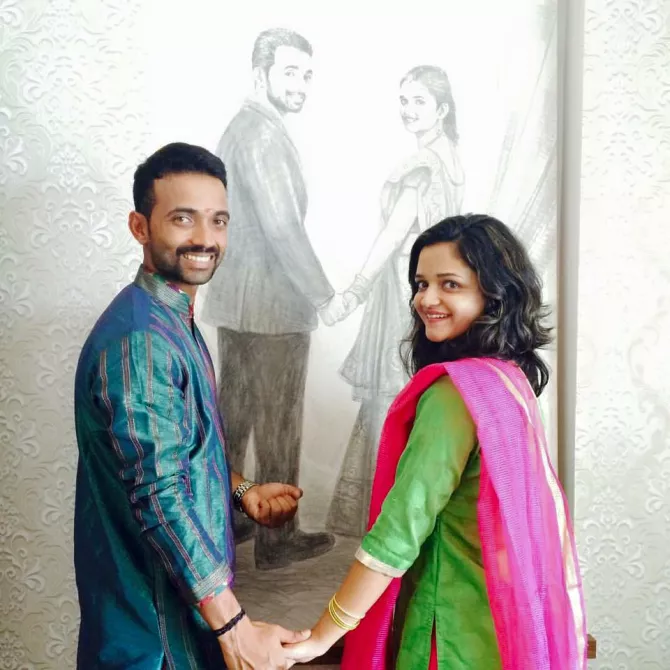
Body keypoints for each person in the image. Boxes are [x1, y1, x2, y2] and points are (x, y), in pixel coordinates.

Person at [285, 215, 588, 669]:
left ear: (494, 294)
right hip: (496, 631)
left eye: (450, 284)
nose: (426, 299)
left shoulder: (455, 395)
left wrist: (322, 637)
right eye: (421, 284)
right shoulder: (509, 383)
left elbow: (397, 533)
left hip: (446, 637)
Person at [73, 142, 310, 670]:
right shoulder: (142, 340)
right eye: (183, 218)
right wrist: (234, 630)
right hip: (154, 643)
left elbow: (173, 454)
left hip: (173, 631)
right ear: (140, 226)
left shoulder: (169, 319)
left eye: (218, 220)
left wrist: (241, 490)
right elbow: (158, 494)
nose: (205, 238)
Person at [201, 28, 341, 571]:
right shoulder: (260, 134)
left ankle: (233, 522)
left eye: (306, 74)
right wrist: (323, 294)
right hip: (274, 309)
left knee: (234, 423)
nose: (301, 84)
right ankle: (278, 541)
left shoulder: (243, 128)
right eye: (290, 72)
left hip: (238, 306)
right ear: (261, 73)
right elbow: (283, 227)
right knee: (278, 424)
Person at [326, 65, 465, 537]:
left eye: (419, 101)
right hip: (422, 288)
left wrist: (355, 290)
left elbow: (392, 235)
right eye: (403, 100)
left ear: (442, 109)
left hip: (404, 292)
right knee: (405, 394)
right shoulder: (451, 161)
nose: (408, 110)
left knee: (392, 397)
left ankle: (385, 520)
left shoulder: (423, 165)